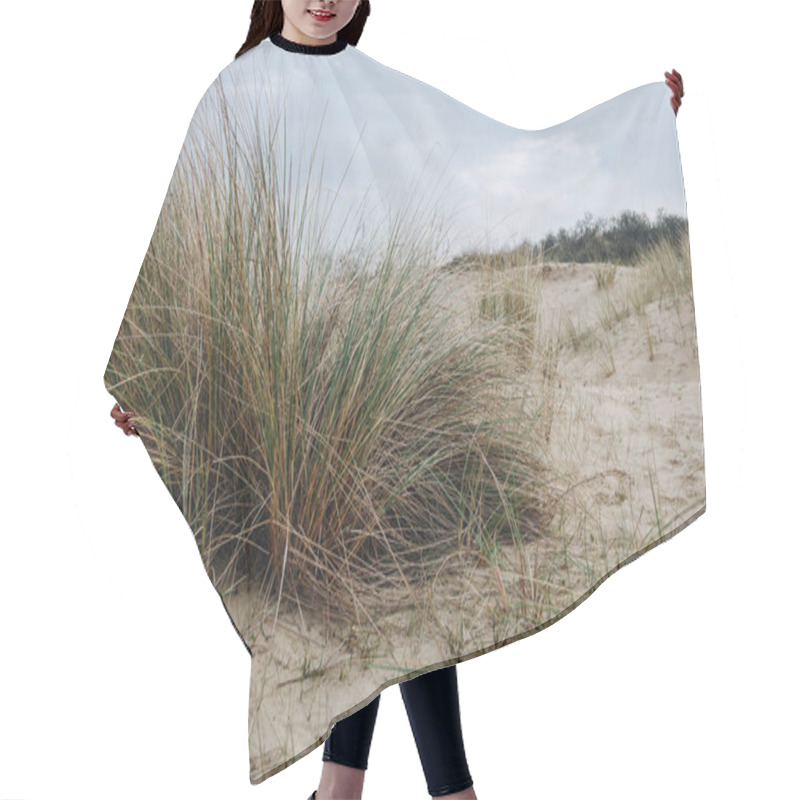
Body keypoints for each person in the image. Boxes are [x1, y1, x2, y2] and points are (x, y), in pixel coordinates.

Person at [110, 2, 685, 798]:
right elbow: (187, 253)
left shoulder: (376, 87)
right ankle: (430, 791)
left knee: (394, 585)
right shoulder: (236, 91)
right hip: (284, 395)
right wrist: (153, 388)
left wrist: (643, 121)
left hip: (367, 389)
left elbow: (489, 155)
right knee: (377, 592)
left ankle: (349, 789)